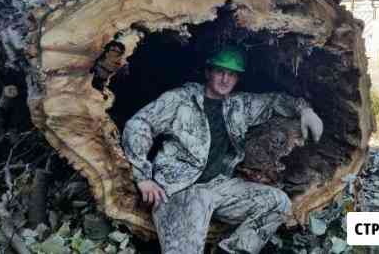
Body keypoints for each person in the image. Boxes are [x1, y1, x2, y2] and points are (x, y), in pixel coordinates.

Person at [122, 46, 323, 254]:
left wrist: (305, 110)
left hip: (219, 187)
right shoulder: (180, 99)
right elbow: (139, 125)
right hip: (181, 189)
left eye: (233, 74)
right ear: (209, 72)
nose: (226, 79)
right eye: (221, 72)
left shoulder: (237, 106)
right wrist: (143, 177)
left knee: (277, 202)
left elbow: (274, 101)